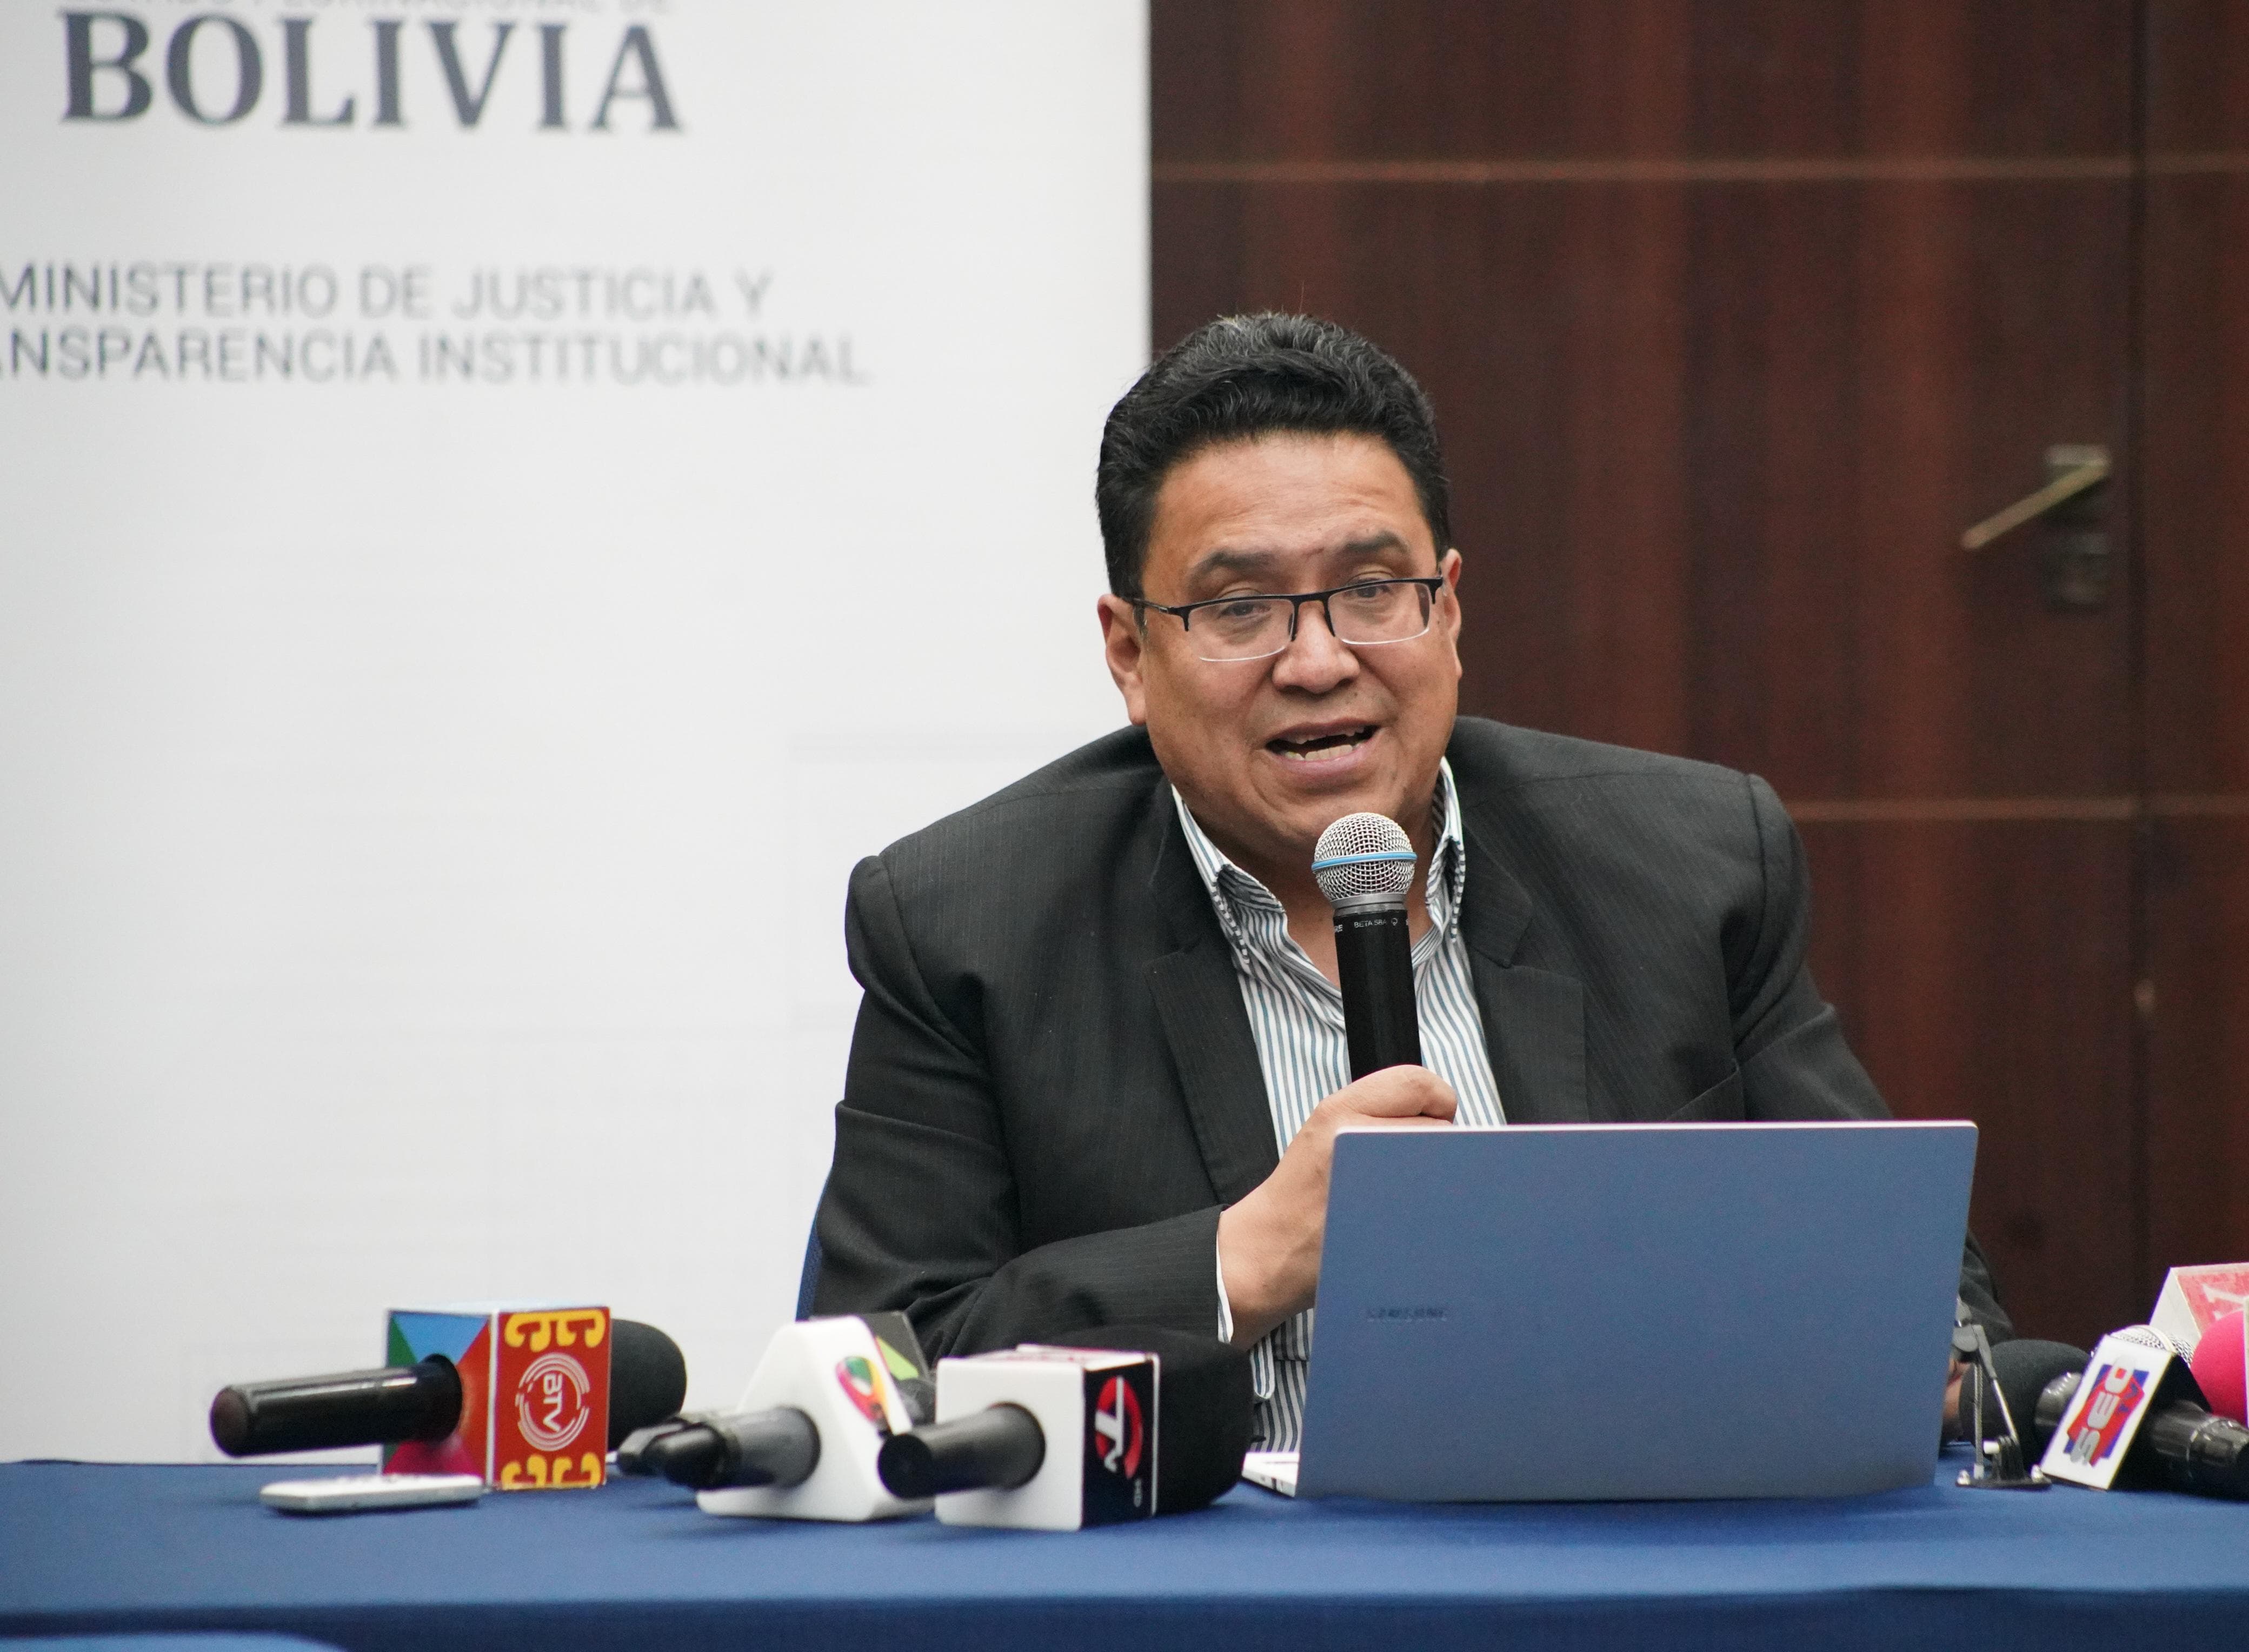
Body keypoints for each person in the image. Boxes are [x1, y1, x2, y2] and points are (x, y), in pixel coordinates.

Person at [810, 311, 2007, 1449]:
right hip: (1211, 1568)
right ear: (1130, 653)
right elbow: (882, 1373)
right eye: (1241, 607)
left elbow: (1906, 1282)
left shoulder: (1692, 867)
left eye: (1373, 590)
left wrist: (1940, 1366)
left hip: (1617, 1543)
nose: (1319, 660)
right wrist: (1240, 1262)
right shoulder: (967, 926)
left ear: (1449, 610)